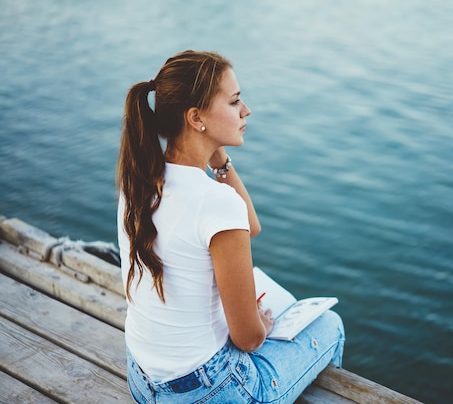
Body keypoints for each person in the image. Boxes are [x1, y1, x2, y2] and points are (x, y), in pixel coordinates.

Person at [116, 50, 344, 403]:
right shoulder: (216, 203)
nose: (246, 110)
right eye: (235, 100)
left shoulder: (137, 183)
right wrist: (260, 325)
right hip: (209, 391)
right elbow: (248, 340)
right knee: (330, 326)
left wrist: (216, 156)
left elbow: (249, 226)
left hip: (144, 381)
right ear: (196, 117)